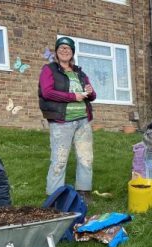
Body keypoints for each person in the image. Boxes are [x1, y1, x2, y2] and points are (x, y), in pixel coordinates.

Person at [39, 36, 97, 202]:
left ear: (72, 53)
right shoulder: (49, 69)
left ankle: (84, 193)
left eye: (68, 48)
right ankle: (54, 197)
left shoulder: (80, 73)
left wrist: (90, 91)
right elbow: (47, 92)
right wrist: (73, 96)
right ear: (57, 52)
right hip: (61, 122)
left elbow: (92, 96)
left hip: (83, 120)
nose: (65, 50)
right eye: (61, 48)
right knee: (59, 159)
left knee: (86, 157)